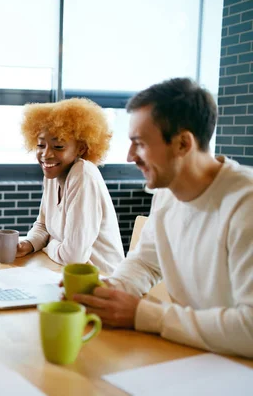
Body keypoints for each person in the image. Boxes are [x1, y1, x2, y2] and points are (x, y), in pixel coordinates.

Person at [72, 78, 253, 358]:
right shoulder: (167, 191)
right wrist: (109, 292)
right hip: (191, 353)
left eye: (139, 144)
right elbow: (145, 262)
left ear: (182, 144)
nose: (130, 156)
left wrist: (145, 315)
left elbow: (250, 329)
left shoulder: (245, 203)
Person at [0, 99, 124, 273]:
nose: (46, 155)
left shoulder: (83, 174)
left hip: (102, 281)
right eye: (41, 145)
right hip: (62, 273)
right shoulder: (53, 174)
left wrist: (47, 245)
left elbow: (73, 257)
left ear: (80, 149)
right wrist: (28, 244)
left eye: (58, 146)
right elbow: (43, 225)